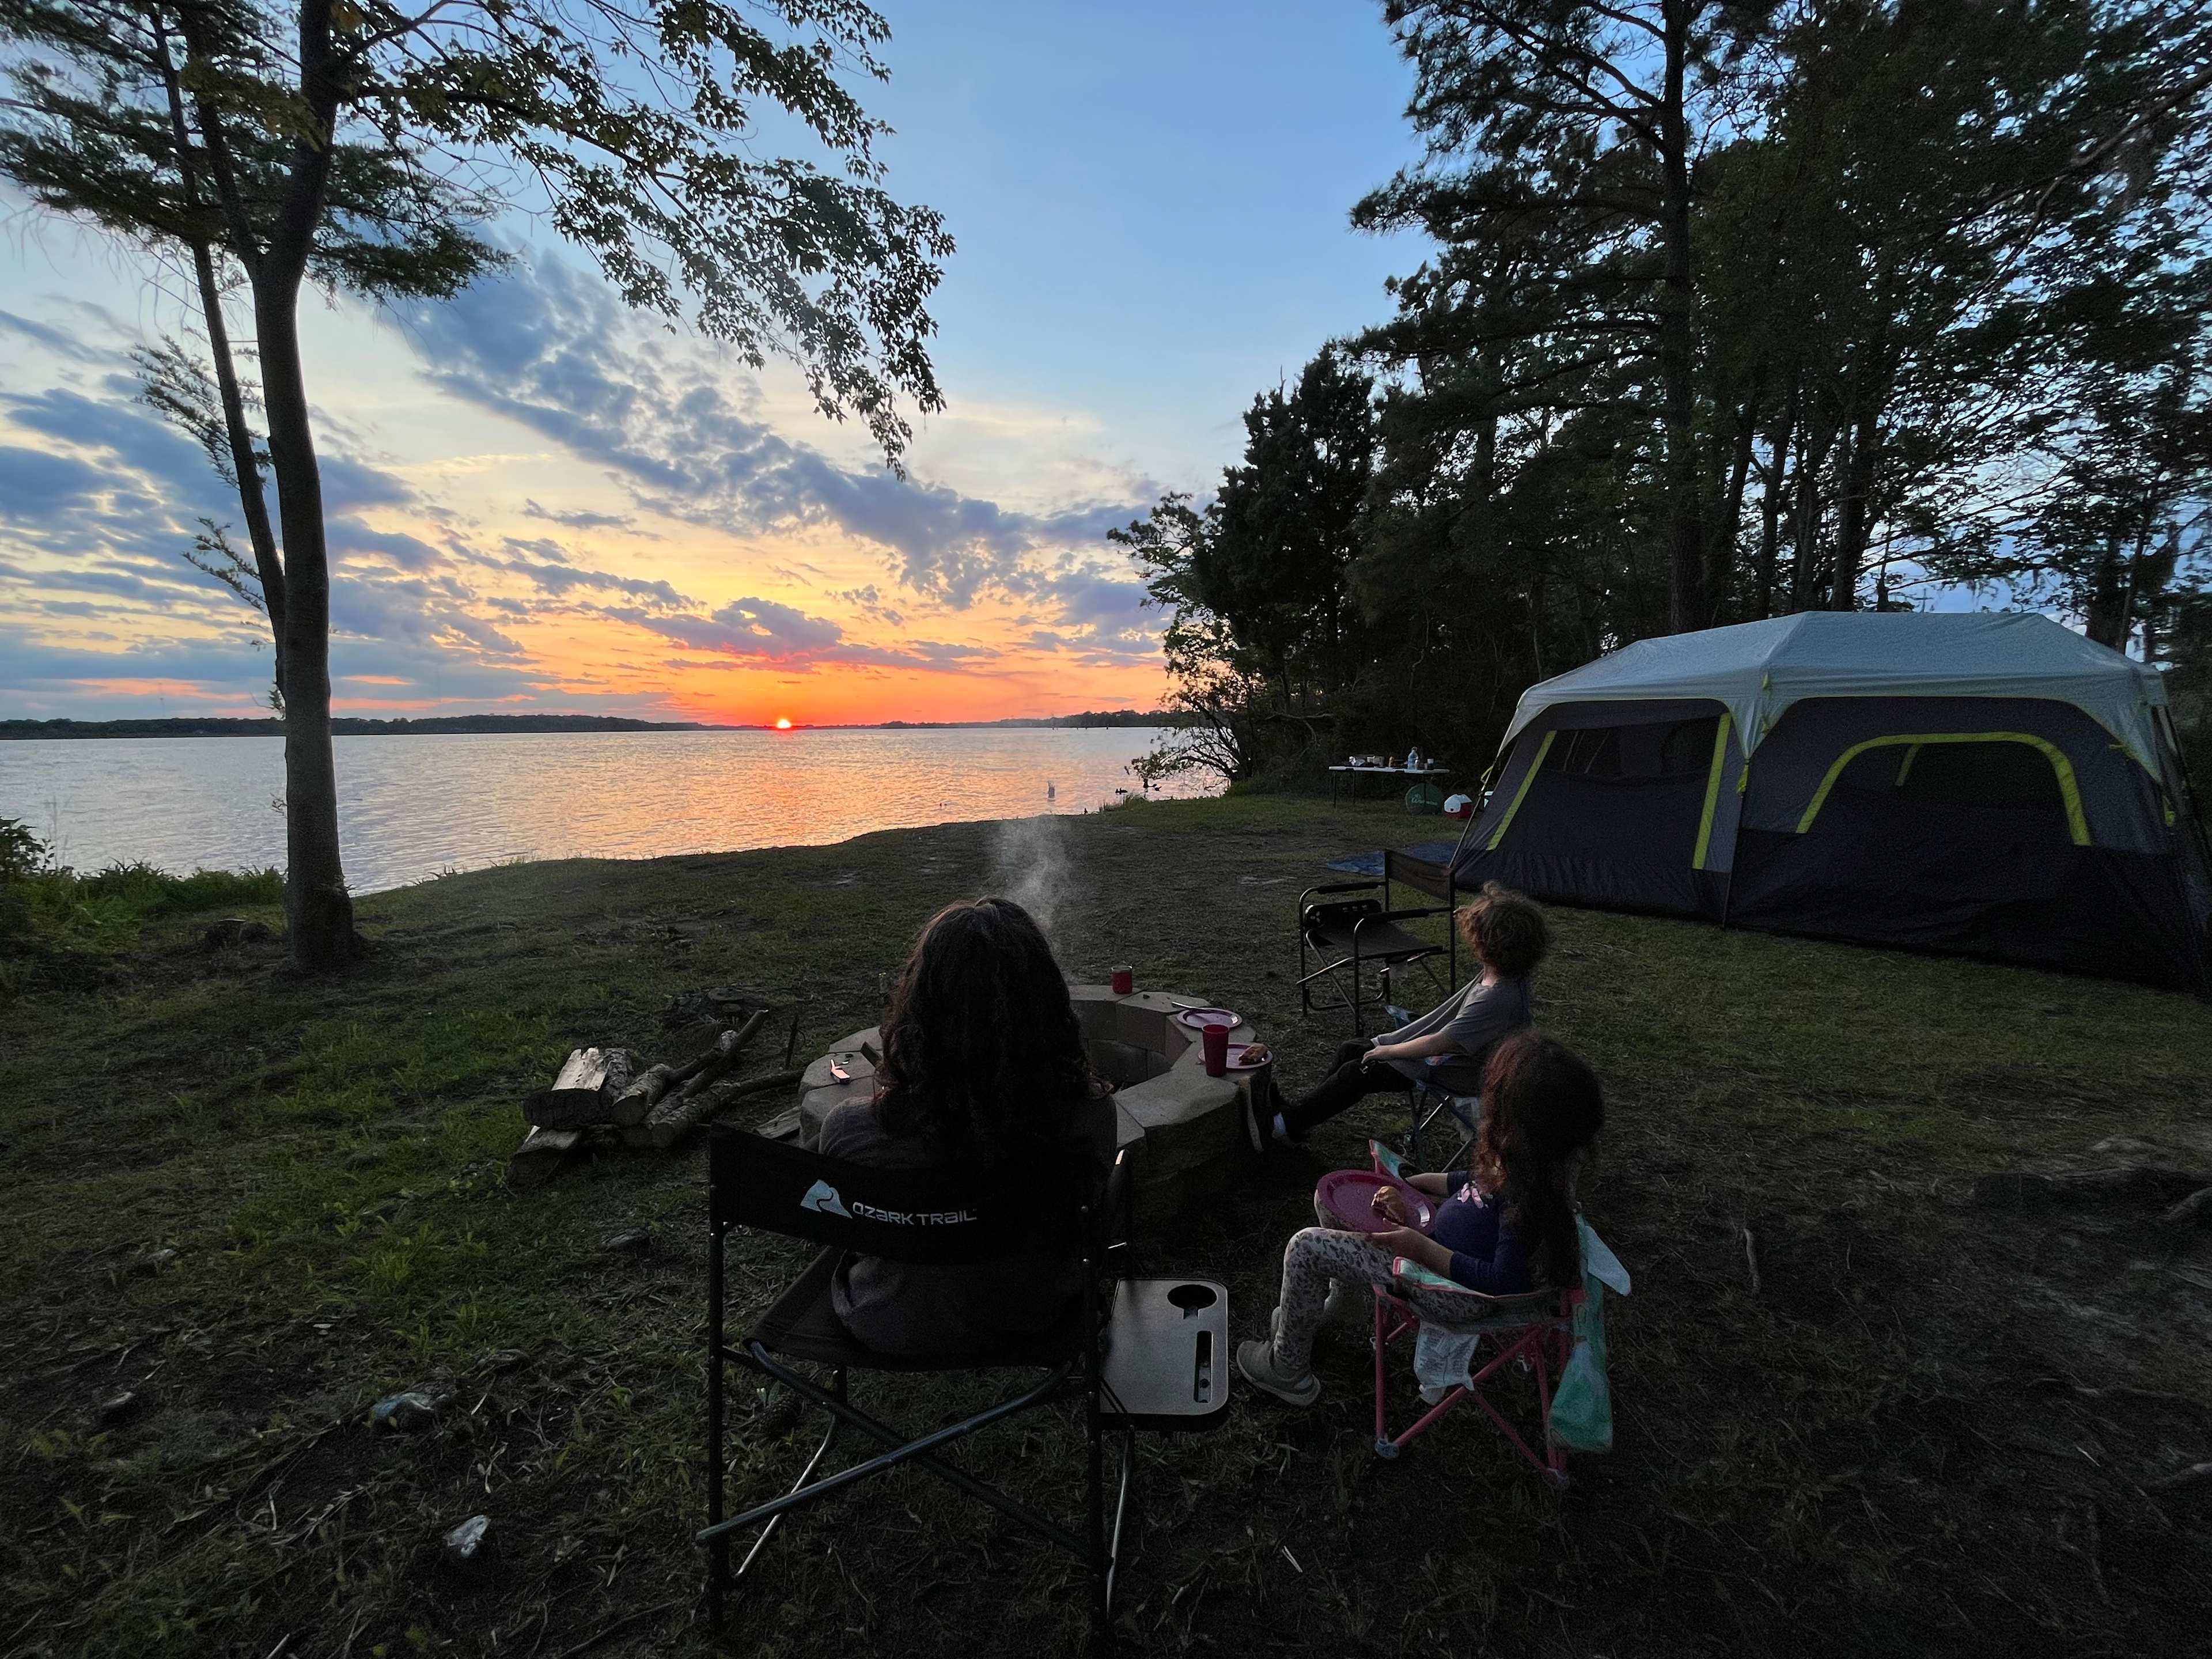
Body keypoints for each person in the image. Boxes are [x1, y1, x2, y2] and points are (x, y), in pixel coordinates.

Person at [816, 897, 1116, 1358]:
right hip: (1035, 1316)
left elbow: (842, 1231)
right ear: (1046, 1007)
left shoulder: (848, 1131)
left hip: (888, 1320)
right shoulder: (1089, 1120)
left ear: (918, 1009)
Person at [1236, 1031, 1603, 1406]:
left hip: (1444, 1288)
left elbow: (1502, 1281)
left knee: (1304, 1248)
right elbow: (1467, 1184)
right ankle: (1344, 1305)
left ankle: (1287, 1370)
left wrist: (1419, 1248)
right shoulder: (1526, 1164)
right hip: (1427, 1247)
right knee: (1329, 1199)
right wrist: (1407, 1184)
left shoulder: (1526, 1200)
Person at [1273, 881, 1548, 1143]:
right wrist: (1470, 917)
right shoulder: (1504, 970)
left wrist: (1388, 1051)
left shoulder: (1498, 998)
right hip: (1451, 1057)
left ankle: (1284, 1126)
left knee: (1358, 1073)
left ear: (1487, 946)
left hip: (1458, 1071)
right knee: (1351, 1049)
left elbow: (1439, 1043)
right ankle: (1300, 1117)